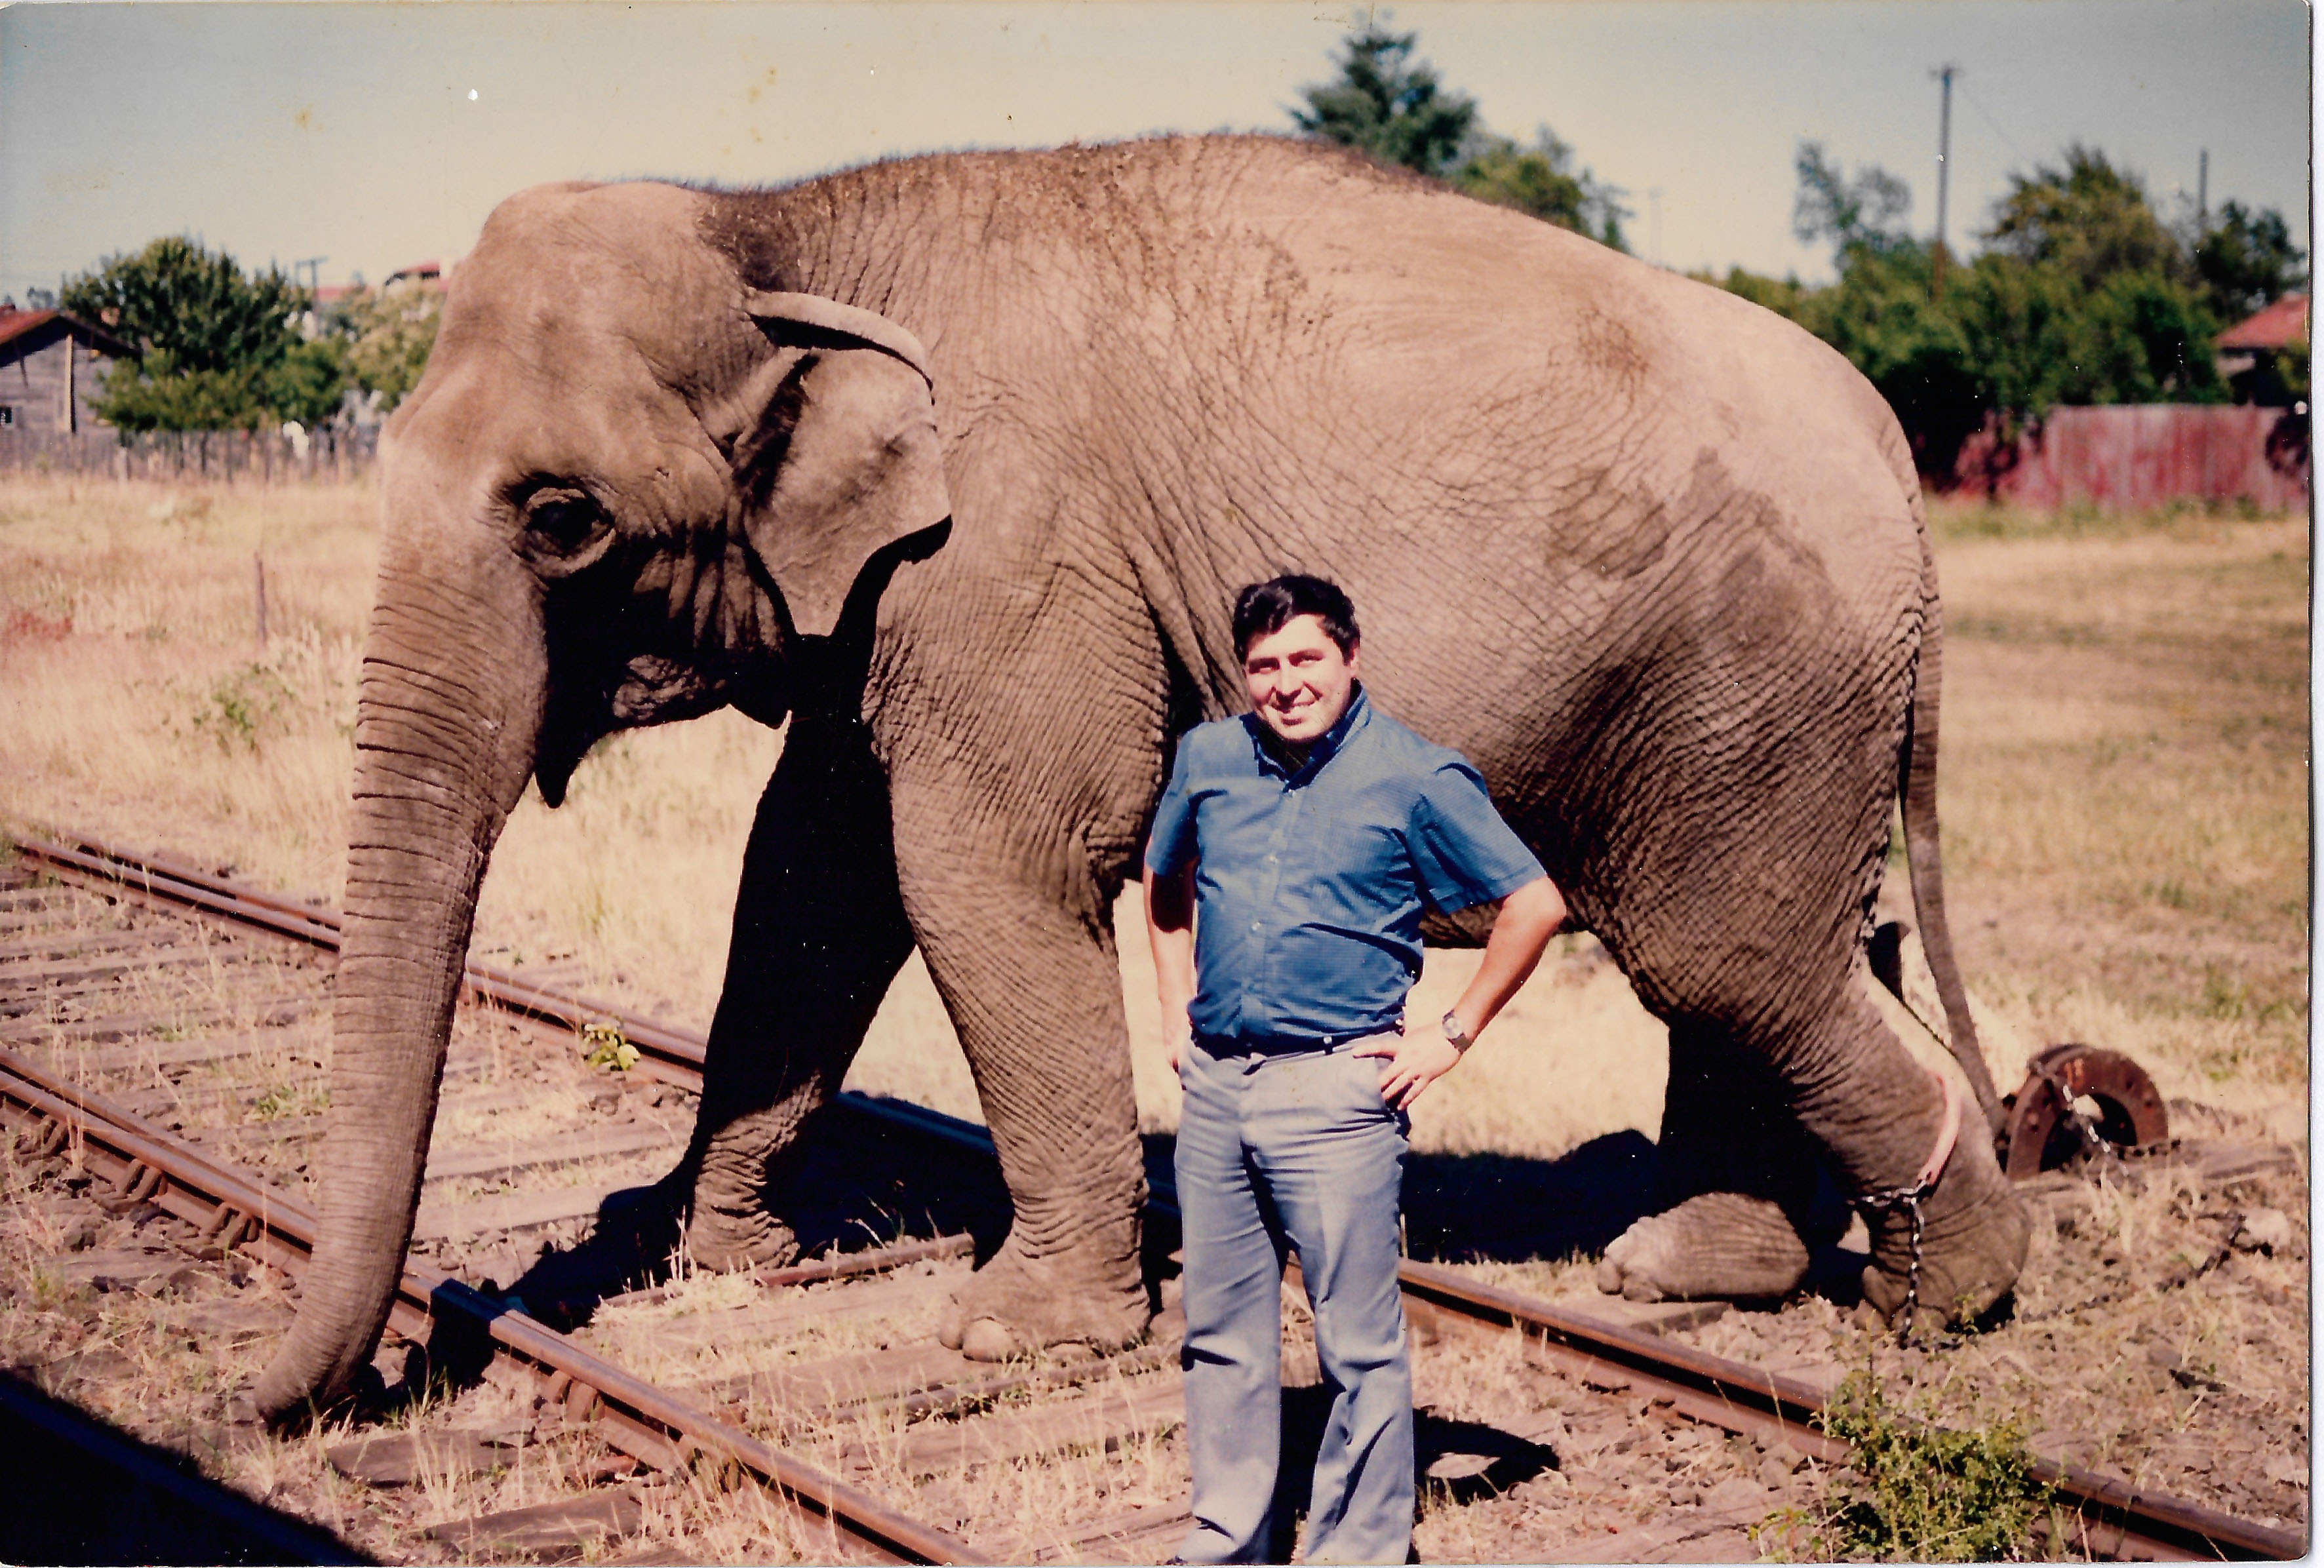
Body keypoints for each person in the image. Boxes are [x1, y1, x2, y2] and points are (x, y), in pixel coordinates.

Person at [1145, 574, 1566, 1564]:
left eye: (1305, 660)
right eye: (1263, 666)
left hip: (1337, 1093)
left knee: (1359, 1350)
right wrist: (1173, 1012)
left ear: (1349, 658)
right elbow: (1165, 882)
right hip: (1216, 1088)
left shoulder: (1417, 776)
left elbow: (1533, 903)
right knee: (1221, 1339)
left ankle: (1358, 1553)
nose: (1285, 685)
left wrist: (1450, 1036)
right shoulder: (1207, 756)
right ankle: (1225, 1543)